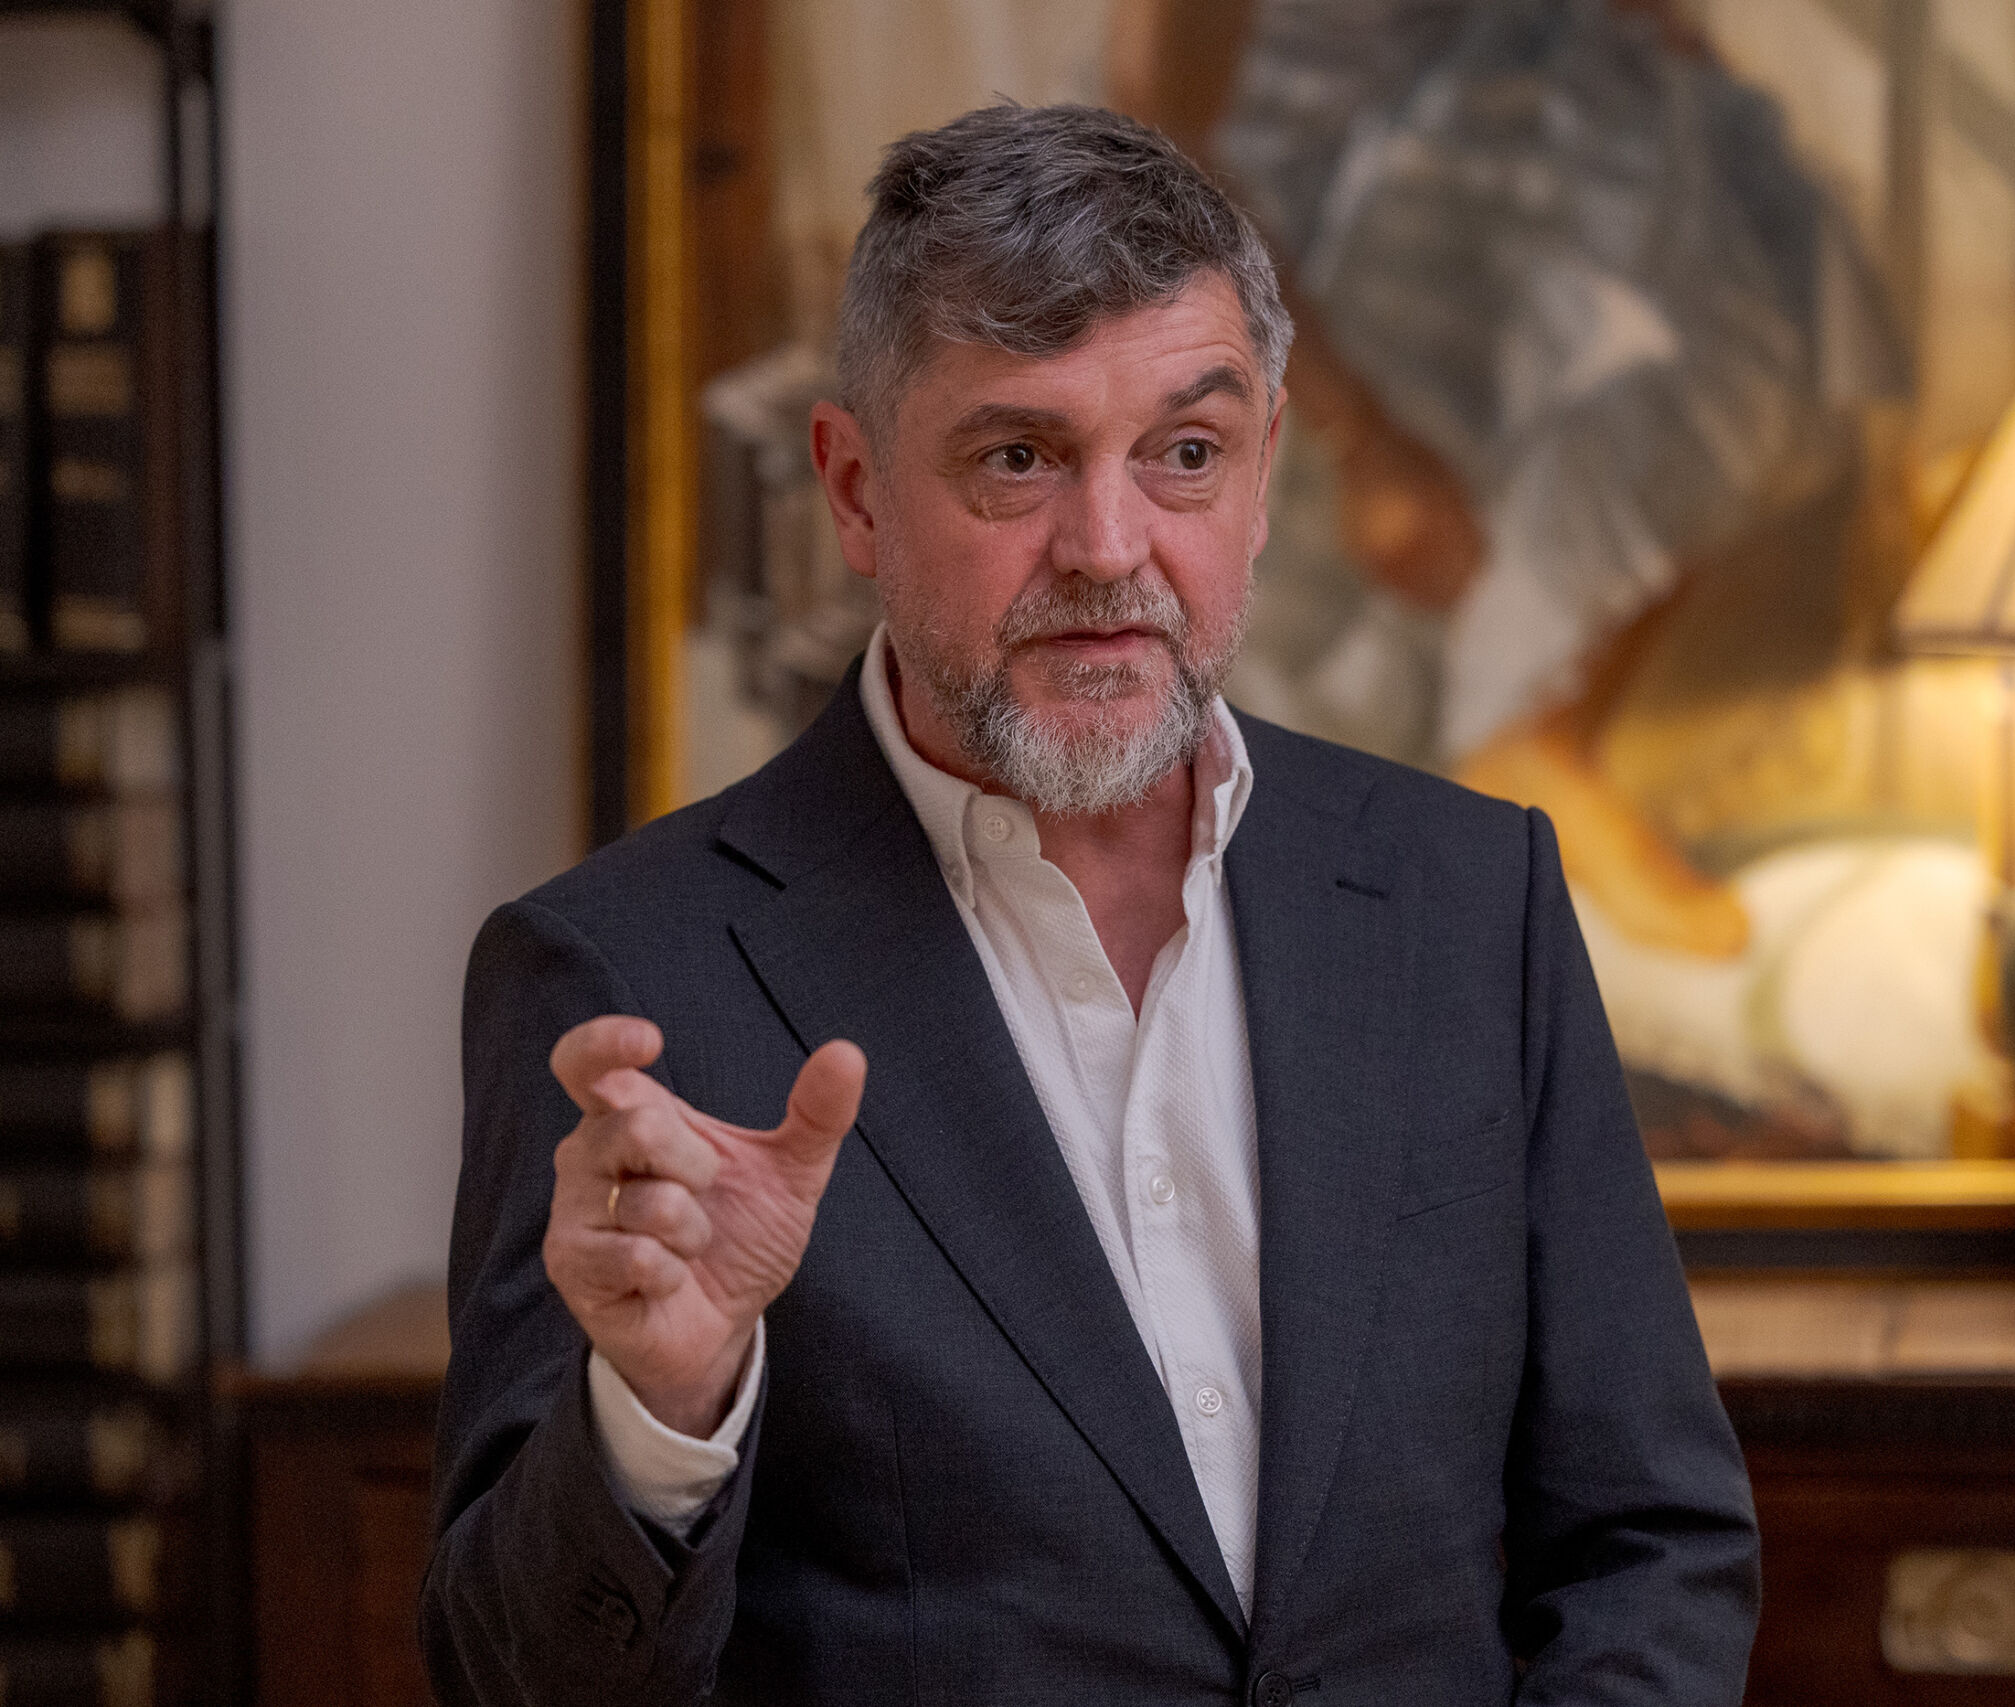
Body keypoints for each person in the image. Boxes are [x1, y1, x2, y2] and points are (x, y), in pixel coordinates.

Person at [422, 103, 1757, 1705]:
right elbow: (507, 1684)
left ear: (1263, 472)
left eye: (1185, 455)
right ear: (853, 490)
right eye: (1017, 459)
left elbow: (1653, 1544)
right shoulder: (625, 978)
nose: (1110, 550)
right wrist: (661, 1415)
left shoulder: (1473, 898)